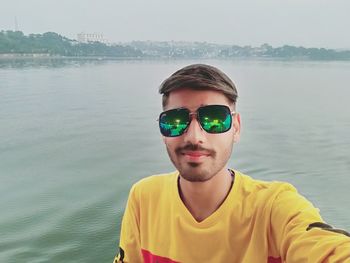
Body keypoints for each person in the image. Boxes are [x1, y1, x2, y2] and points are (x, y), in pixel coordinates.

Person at [114, 64, 350, 263]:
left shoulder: (273, 209)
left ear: (235, 128)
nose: (194, 136)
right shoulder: (144, 197)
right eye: (175, 121)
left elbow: (325, 248)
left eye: (214, 119)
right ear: (162, 131)